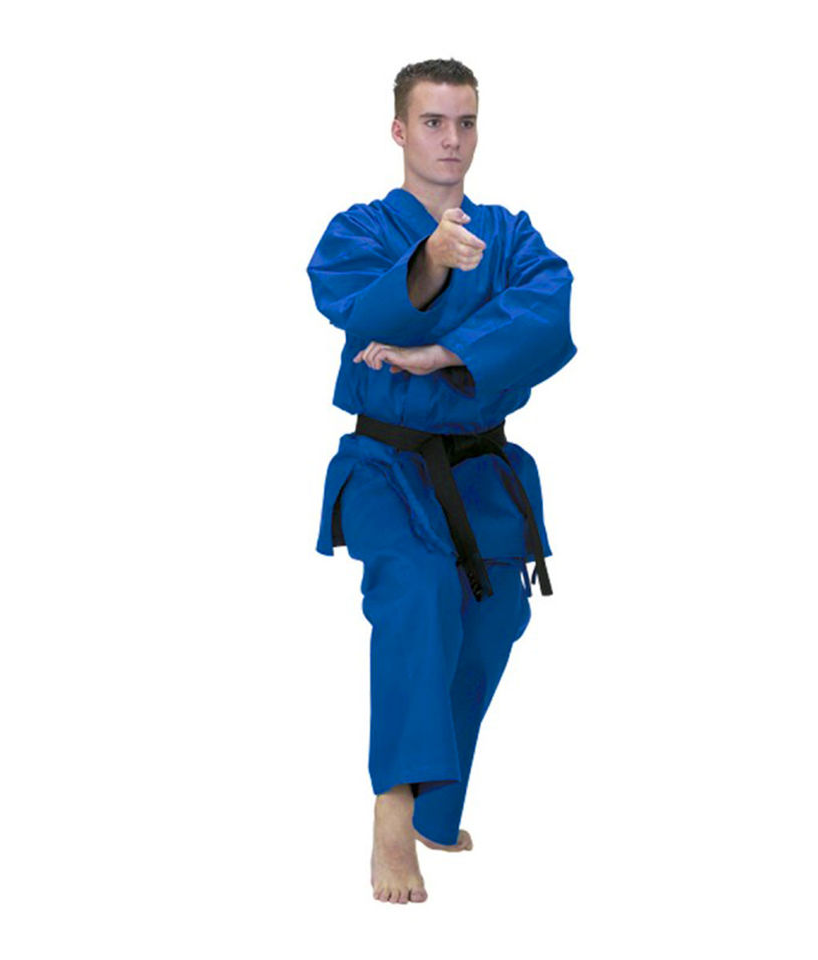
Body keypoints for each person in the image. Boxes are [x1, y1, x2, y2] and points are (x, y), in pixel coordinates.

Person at [306, 58, 577, 904]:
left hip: (481, 467)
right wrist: (426, 263)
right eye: (432, 122)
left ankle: (436, 805)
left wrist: (444, 351)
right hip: (387, 464)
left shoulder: (509, 234)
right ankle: (394, 810)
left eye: (465, 122)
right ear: (399, 130)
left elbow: (550, 307)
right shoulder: (359, 230)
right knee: (420, 595)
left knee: (498, 614)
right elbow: (355, 306)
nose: (451, 139)